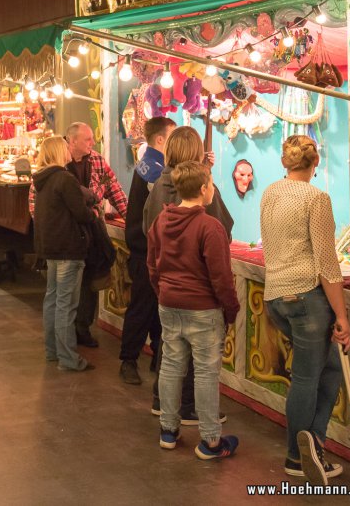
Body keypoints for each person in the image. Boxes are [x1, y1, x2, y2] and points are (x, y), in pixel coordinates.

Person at [260, 135, 349, 484]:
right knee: (308, 379)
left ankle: (313, 446)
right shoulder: (317, 198)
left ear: (287, 162)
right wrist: (342, 316)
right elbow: (328, 265)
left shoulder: (270, 192)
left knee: (329, 370)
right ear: (315, 163)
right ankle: (297, 458)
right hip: (306, 298)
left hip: (275, 297)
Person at [148, 161, 240, 460]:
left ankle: (168, 430)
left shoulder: (161, 221)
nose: (212, 188)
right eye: (211, 183)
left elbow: (152, 265)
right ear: (203, 189)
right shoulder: (210, 227)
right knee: (205, 373)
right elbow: (221, 277)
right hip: (203, 308)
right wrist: (231, 309)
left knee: (172, 366)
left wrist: (162, 291)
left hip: (169, 303)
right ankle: (211, 440)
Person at [143, 125, 233, 425]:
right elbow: (222, 238)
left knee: (170, 357)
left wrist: (160, 285)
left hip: (168, 291)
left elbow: (150, 238)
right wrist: (230, 308)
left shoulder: (158, 186)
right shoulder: (206, 216)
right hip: (199, 295)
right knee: (202, 365)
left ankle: (166, 417)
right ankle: (202, 424)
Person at [32, 136, 99, 371]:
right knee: (66, 305)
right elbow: (81, 213)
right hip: (69, 248)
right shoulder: (64, 179)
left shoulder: (42, 181)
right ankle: (69, 358)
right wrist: (94, 215)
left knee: (52, 300)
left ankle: (53, 351)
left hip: (50, 247)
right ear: (60, 152)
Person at [119, 117, 177, 386]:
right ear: (161, 139)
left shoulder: (150, 163)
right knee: (143, 307)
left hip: (146, 247)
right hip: (146, 250)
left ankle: (156, 355)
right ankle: (128, 359)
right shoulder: (154, 169)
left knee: (155, 309)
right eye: (173, 136)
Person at [66, 122, 128, 348]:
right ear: (72, 141)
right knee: (68, 284)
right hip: (69, 234)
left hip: (93, 232)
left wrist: (131, 219)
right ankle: (65, 333)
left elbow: (114, 189)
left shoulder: (97, 161)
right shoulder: (59, 162)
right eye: (87, 140)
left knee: (90, 282)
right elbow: (36, 200)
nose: (93, 143)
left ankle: (83, 328)